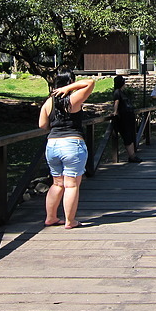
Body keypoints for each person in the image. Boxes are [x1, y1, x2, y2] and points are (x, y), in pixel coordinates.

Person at [38, 68, 95, 229]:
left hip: (52, 145)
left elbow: (42, 125)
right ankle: (70, 221)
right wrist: (68, 89)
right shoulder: (73, 99)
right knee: (71, 185)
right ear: (70, 82)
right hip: (71, 144)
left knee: (57, 184)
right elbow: (90, 83)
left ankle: (51, 217)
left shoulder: (49, 102)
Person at [112, 75, 143, 163]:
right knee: (127, 136)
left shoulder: (122, 92)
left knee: (131, 134)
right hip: (123, 118)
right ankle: (132, 156)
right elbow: (116, 102)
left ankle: (132, 155)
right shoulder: (117, 92)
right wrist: (115, 112)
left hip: (129, 116)